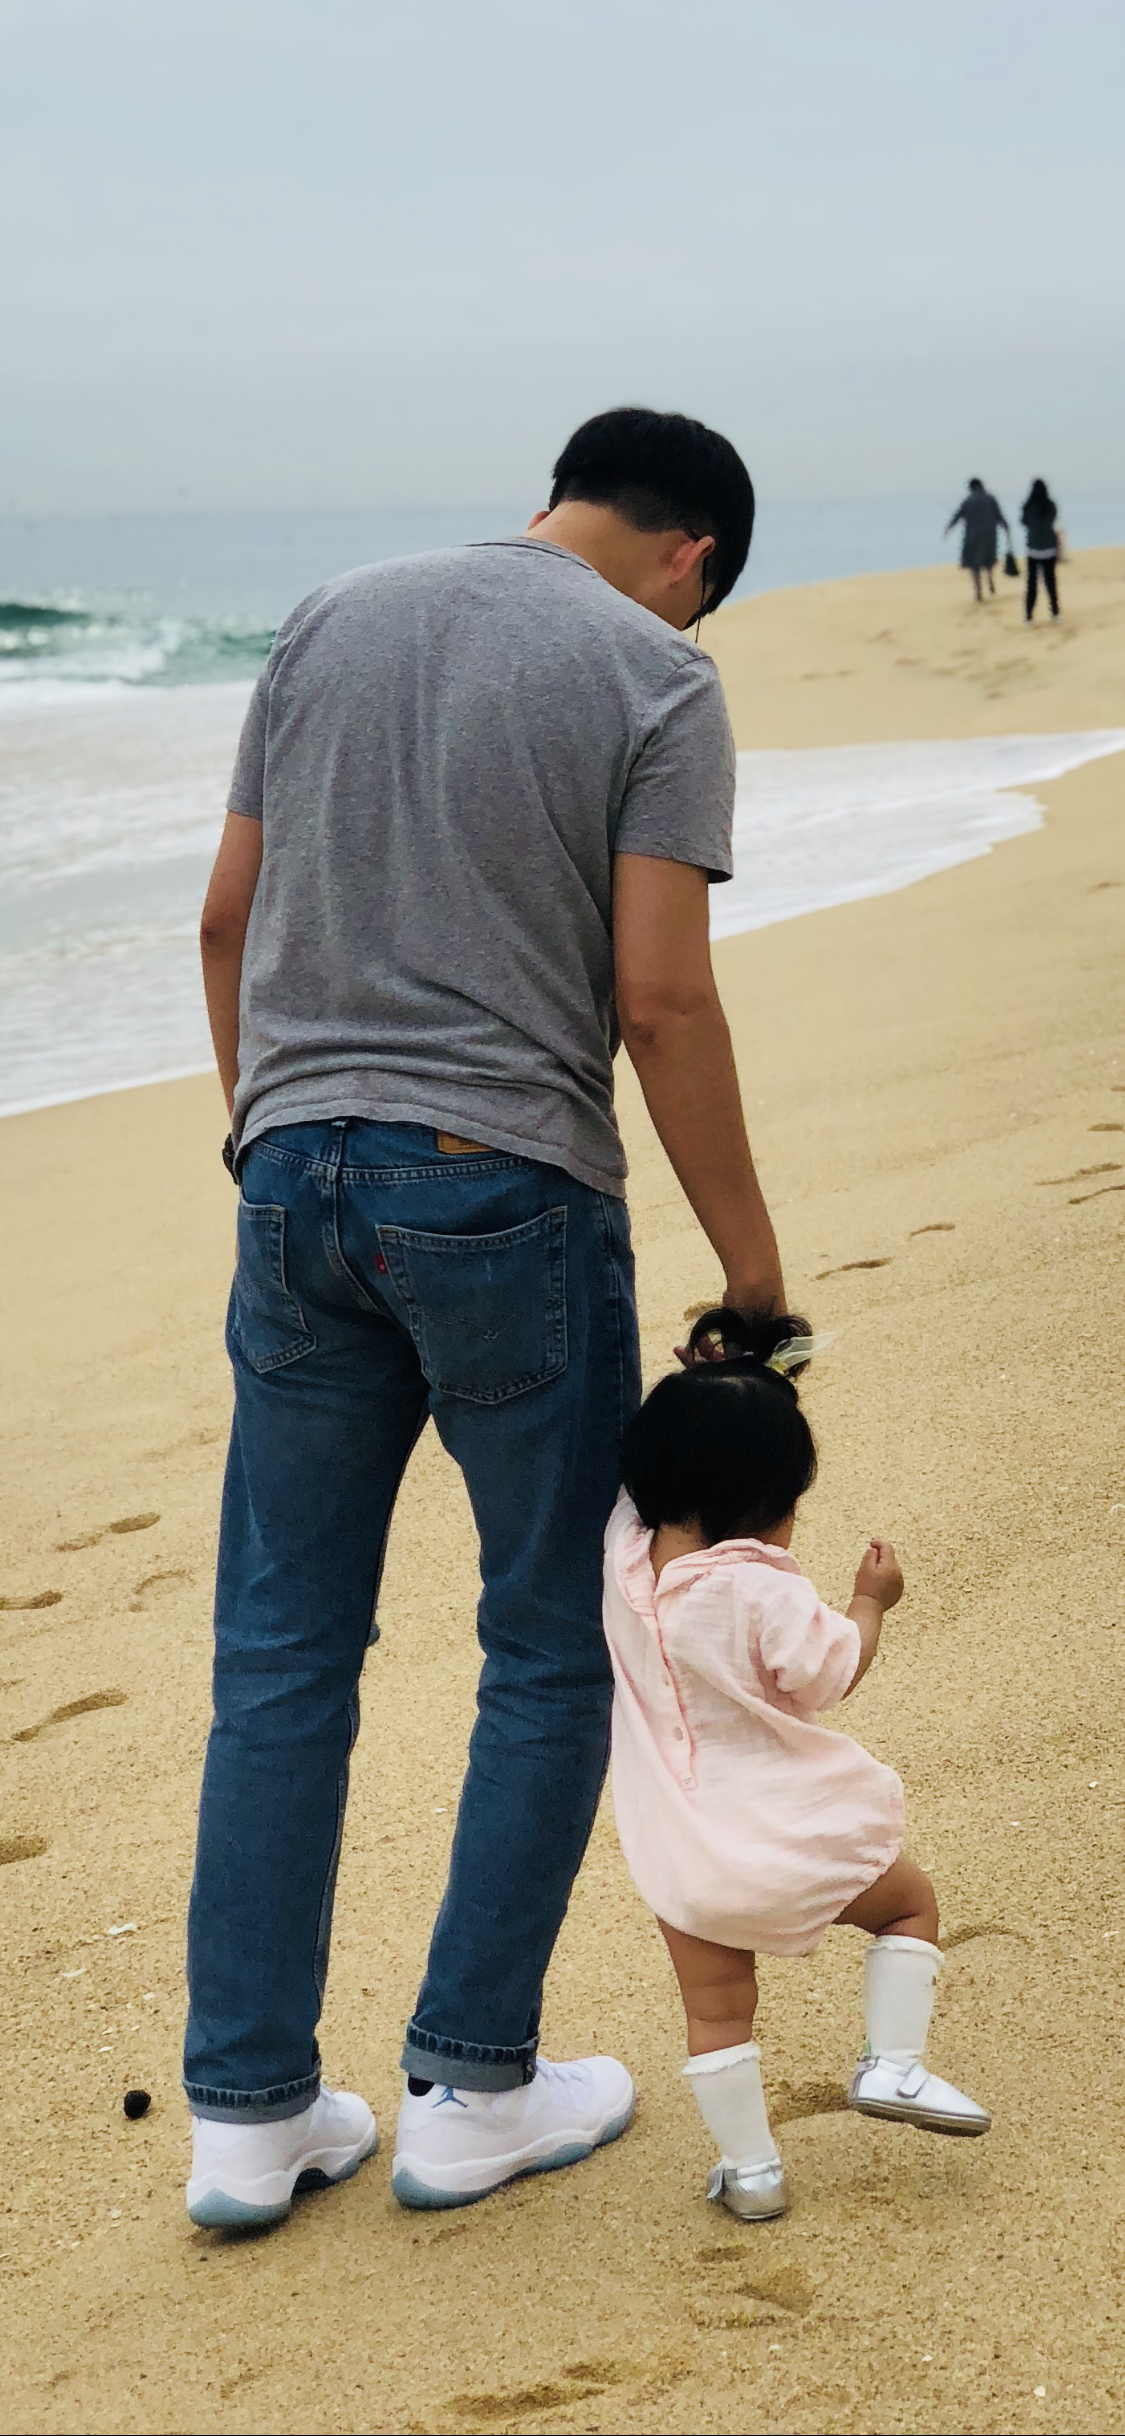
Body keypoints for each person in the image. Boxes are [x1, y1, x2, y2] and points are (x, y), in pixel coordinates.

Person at [185, 407, 787, 2229]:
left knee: (280, 1651)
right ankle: (471, 2088)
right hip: (503, 1184)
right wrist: (754, 1273)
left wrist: (271, 1134)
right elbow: (660, 1002)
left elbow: (224, 920)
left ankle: (246, 2120)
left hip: (294, 1168)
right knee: (543, 1642)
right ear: (692, 557)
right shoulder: (657, 677)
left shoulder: (328, 617)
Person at [603, 1307, 990, 2224]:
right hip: (789, 1831)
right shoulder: (757, 1586)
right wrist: (869, 1603)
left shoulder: (621, 1561)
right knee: (907, 1906)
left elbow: (656, 1468)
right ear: (770, 1510)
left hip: (685, 1860)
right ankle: (892, 2065)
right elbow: (827, 1673)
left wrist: (706, 1384)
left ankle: (751, 2173)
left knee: (716, 2012)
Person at [944, 477, 1011, 601]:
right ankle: (989, 579)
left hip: (972, 537)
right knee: (989, 560)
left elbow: (957, 515)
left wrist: (948, 529)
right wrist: (1006, 529)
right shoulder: (991, 499)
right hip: (989, 536)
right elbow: (999, 515)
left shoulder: (968, 500)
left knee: (974, 565)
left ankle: (978, 591)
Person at [1021, 479, 1061, 622]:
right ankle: (1055, 613)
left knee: (1032, 584)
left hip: (1033, 548)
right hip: (1049, 548)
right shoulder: (1050, 505)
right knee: (1051, 583)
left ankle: (1028, 616)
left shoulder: (1027, 506)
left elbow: (1023, 522)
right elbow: (1053, 520)